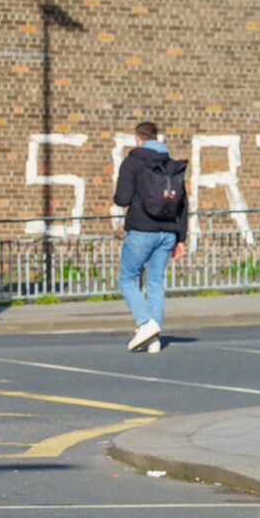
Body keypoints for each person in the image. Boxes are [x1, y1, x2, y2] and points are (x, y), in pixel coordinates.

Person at [113, 121, 188, 353]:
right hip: (167, 232)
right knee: (155, 283)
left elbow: (122, 199)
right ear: (157, 138)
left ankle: (146, 323)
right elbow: (183, 203)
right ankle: (154, 340)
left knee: (127, 278)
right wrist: (181, 238)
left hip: (142, 229)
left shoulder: (132, 162)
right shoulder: (170, 164)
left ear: (138, 139)